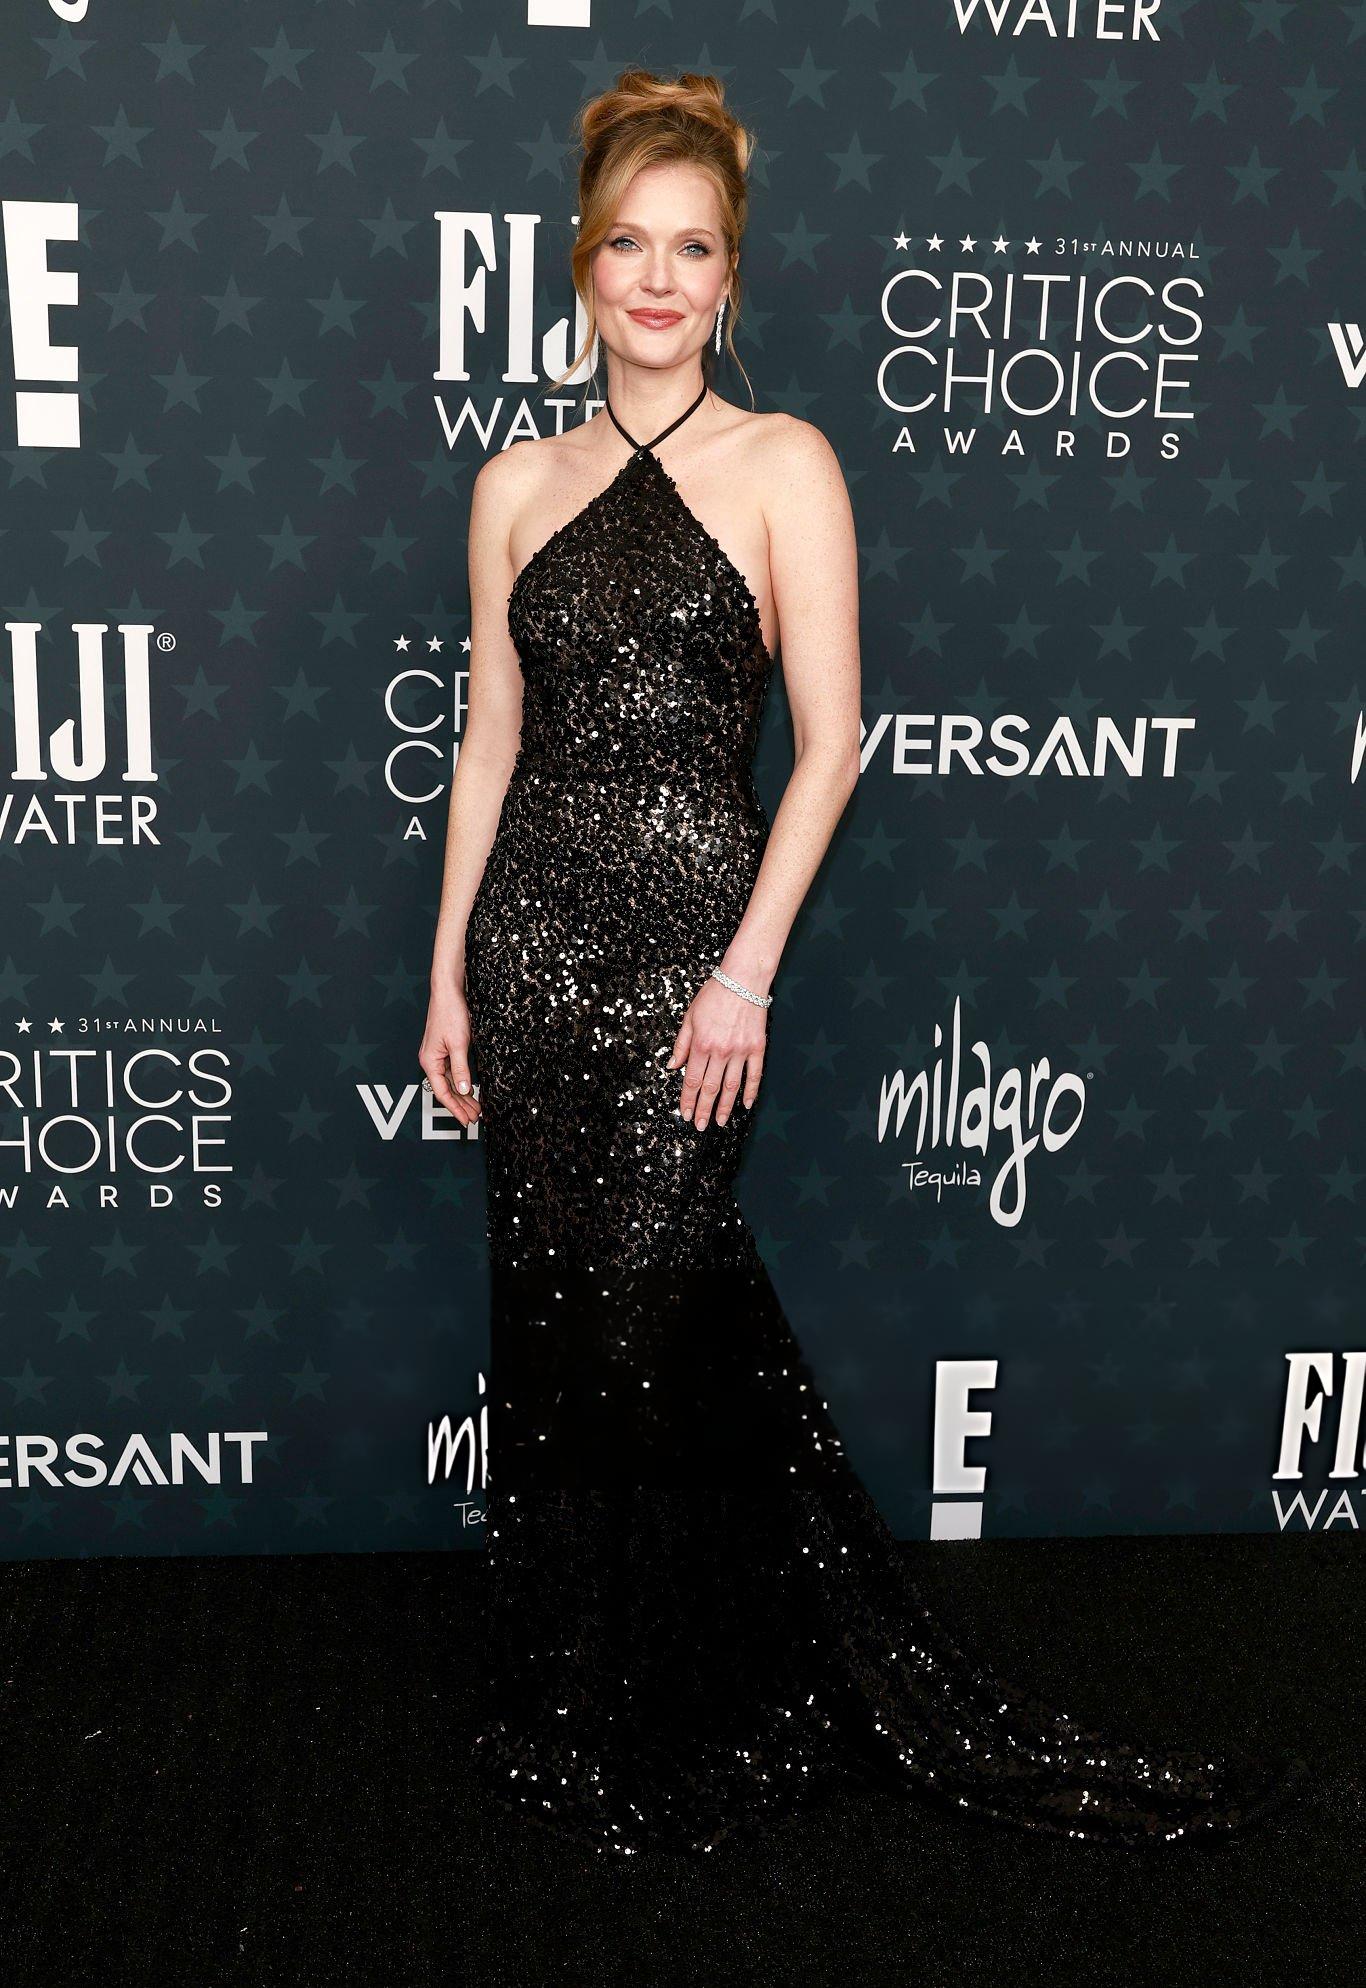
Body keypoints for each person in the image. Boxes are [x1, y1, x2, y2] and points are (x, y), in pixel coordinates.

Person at [420, 67, 1307, 1858]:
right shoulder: (511, 483)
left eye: (692, 250)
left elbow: (826, 748)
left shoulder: (783, 464)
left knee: (651, 1329)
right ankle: (569, 1701)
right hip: (528, 956)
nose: (657, 280)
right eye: (627, 245)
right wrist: (446, 979)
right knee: (556, 1331)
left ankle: (691, 1698)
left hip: (692, 963)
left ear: (729, 278)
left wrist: (742, 976)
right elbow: (490, 742)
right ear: (578, 262)